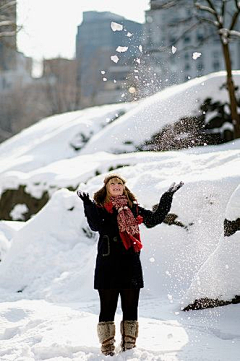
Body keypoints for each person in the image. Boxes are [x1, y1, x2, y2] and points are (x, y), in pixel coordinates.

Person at [77, 173, 183, 356]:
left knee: (131, 307)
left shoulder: (133, 209)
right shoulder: (100, 208)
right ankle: (107, 348)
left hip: (130, 263)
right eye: (113, 183)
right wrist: (87, 204)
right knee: (107, 308)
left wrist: (167, 197)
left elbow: (154, 220)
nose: (117, 185)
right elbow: (95, 225)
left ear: (124, 187)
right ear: (107, 188)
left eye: (120, 183)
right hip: (107, 264)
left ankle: (129, 348)